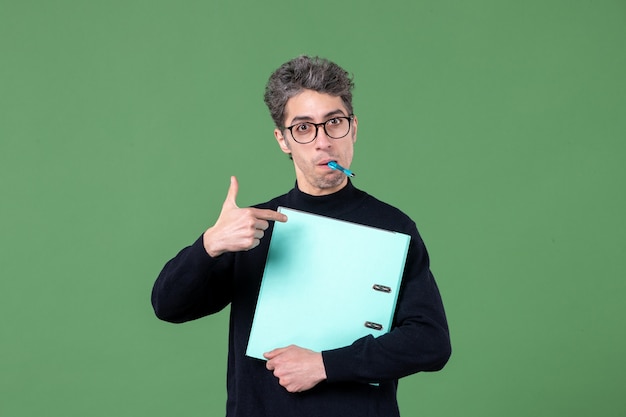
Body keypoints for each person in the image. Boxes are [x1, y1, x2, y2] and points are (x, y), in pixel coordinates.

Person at [151, 55, 451, 417]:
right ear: (283, 140)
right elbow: (167, 306)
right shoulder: (255, 226)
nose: (323, 142)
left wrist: (325, 365)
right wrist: (210, 244)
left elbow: (431, 342)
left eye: (334, 123)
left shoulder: (393, 226)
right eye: (304, 128)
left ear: (353, 128)